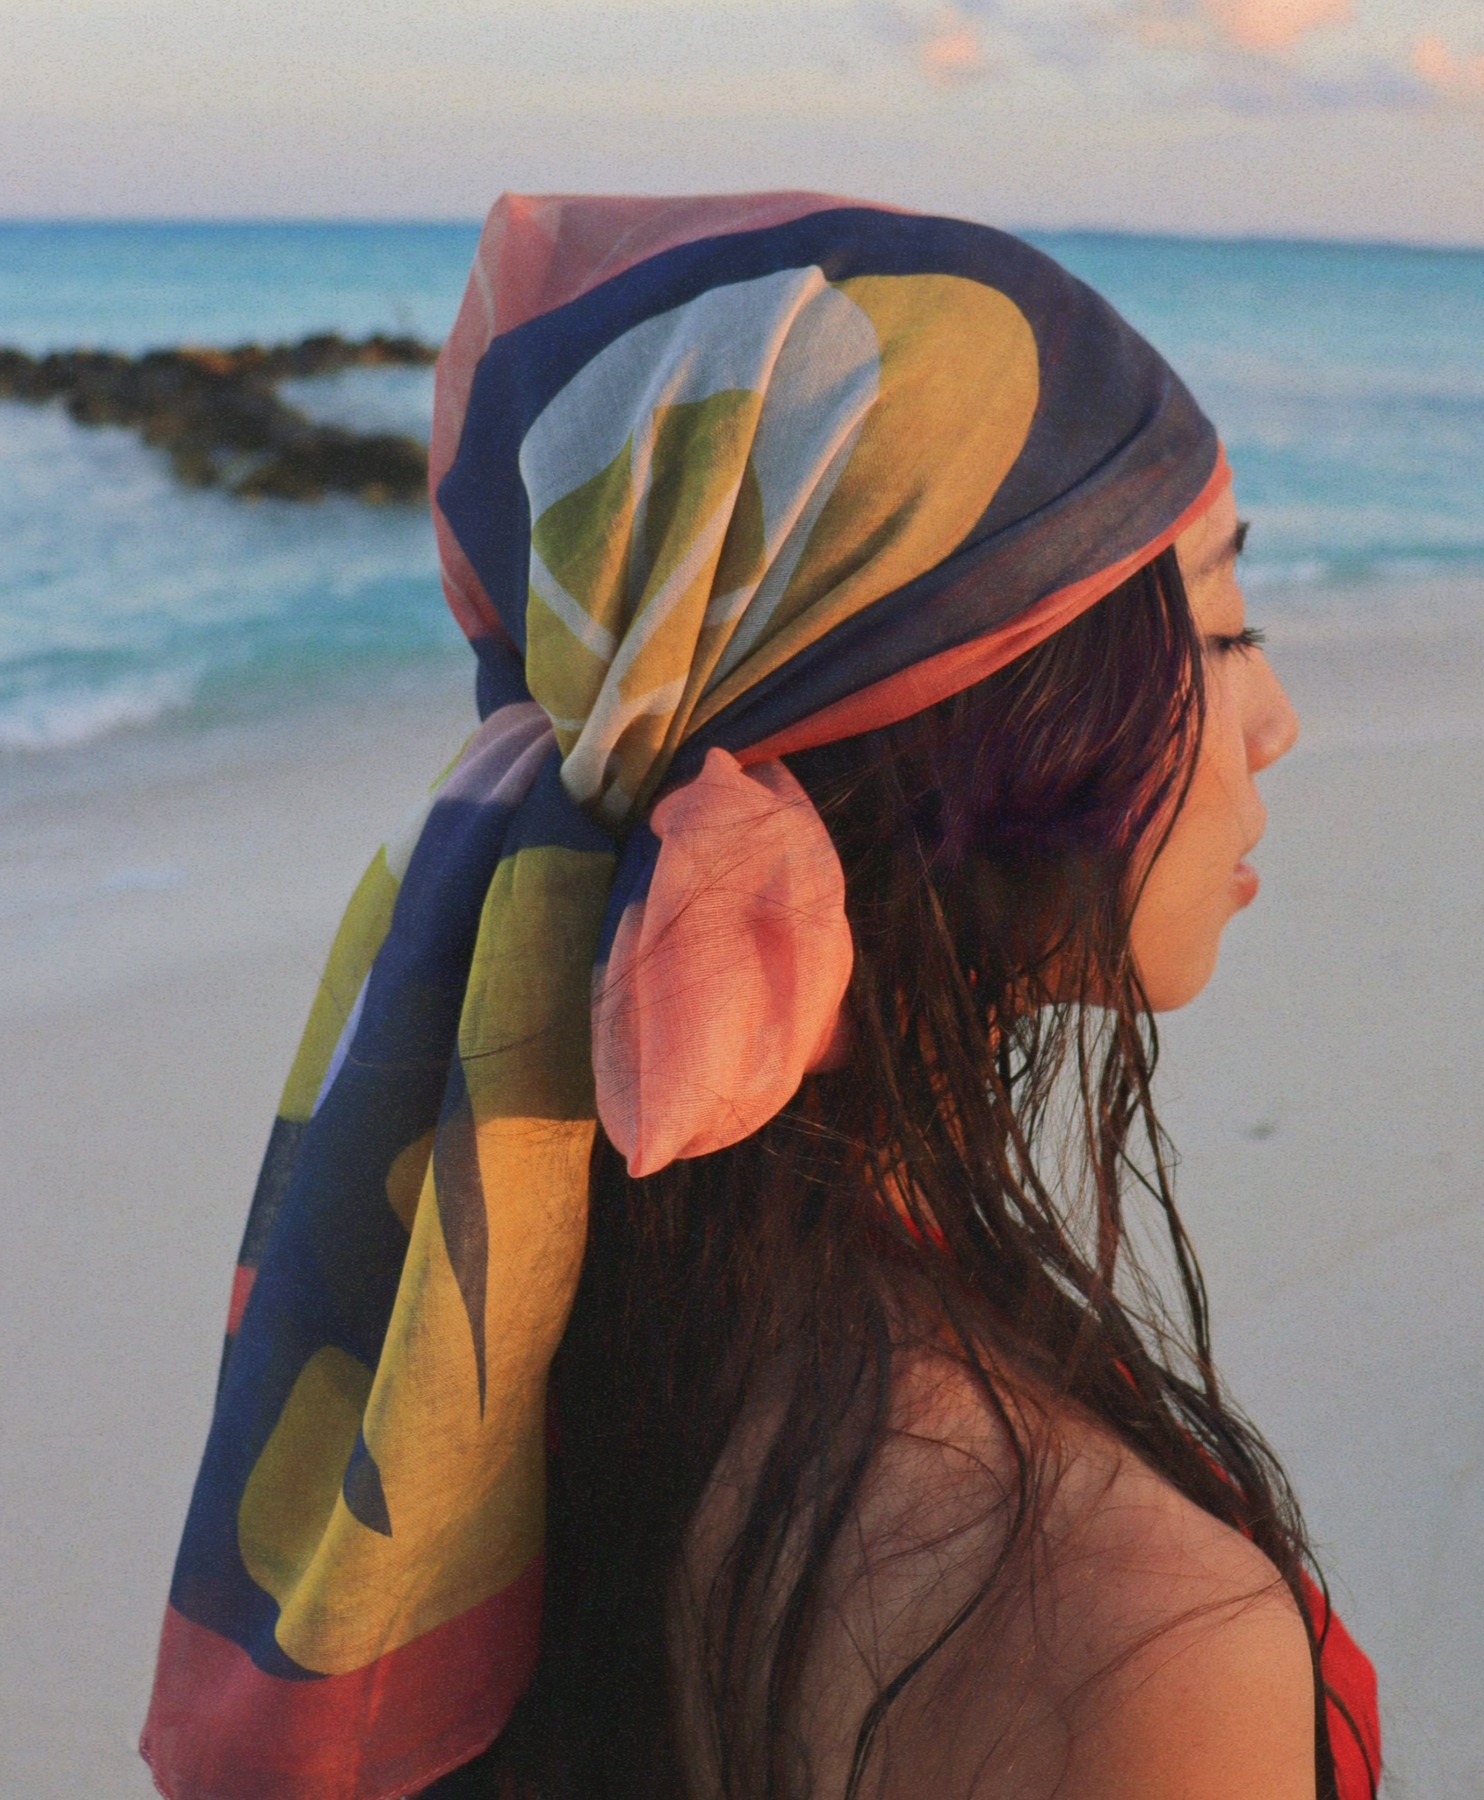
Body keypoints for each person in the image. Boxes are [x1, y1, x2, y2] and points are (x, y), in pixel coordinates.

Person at [141, 193, 1378, 1800]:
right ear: (964, 712)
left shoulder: (545, 1304)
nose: (1274, 720)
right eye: (1221, 624)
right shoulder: (1129, 1633)